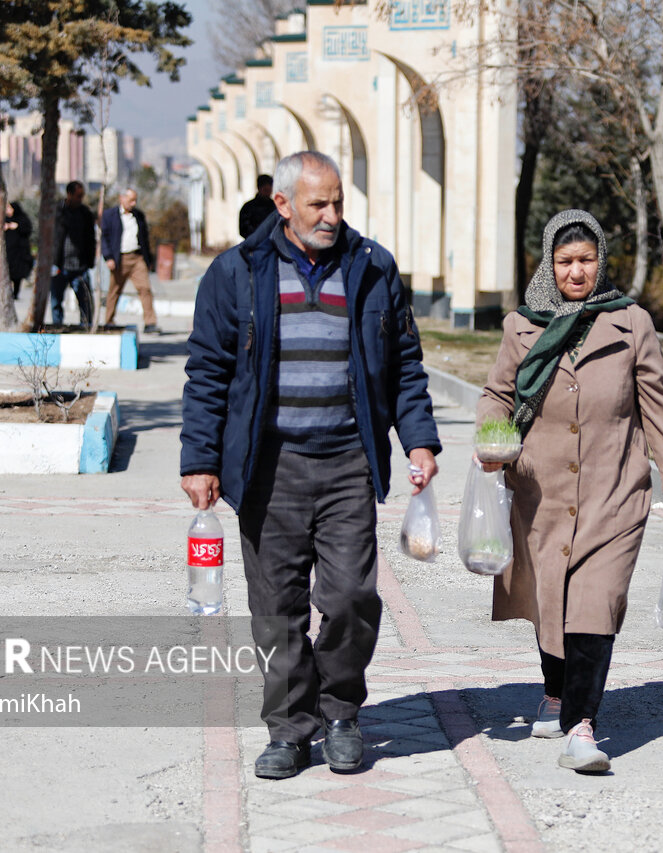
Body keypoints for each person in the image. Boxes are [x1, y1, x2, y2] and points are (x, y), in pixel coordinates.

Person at [180, 151, 441, 780]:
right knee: (276, 606)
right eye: (317, 204)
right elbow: (207, 373)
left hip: (349, 461)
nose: (330, 216)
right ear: (283, 204)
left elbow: (404, 363)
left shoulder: (372, 267)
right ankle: (290, 729)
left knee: (352, 596)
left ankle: (342, 712)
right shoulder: (237, 272)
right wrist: (200, 459)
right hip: (268, 467)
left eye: (338, 203)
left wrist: (420, 440)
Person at [475, 209, 663, 774]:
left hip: (614, 488)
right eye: (565, 262)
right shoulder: (521, 325)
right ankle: (555, 694)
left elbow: (658, 406)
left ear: (601, 261)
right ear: (549, 265)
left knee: (594, 602)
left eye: (586, 261)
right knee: (549, 598)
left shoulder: (631, 322)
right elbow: (497, 396)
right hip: (539, 487)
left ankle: (581, 726)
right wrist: (491, 439)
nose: (576, 272)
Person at [100, 187, 160, 332]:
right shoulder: (109, 215)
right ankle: (109, 321)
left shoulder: (139, 215)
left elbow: (145, 238)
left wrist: (149, 259)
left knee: (145, 288)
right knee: (114, 291)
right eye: (131, 200)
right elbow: (104, 238)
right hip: (119, 259)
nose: (133, 203)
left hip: (137, 258)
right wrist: (108, 257)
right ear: (122, 198)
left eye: (135, 200)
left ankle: (150, 322)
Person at [51, 181, 96, 326]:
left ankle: (86, 326)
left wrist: (90, 261)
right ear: (69, 194)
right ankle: (57, 326)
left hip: (80, 266)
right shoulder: (57, 211)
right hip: (60, 265)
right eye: (78, 196)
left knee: (85, 300)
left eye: (82, 196)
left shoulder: (85, 214)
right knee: (56, 300)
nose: (80, 199)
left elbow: (90, 239)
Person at [3, 201, 33, 299]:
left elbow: (27, 230)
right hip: (8, 251)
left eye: (10, 208)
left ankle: (15, 293)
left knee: (17, 275)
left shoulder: (22, 219)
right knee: (7, 273)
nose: (8, 211)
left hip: (19, 253)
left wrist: (17, 226)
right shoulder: (5, 220)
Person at [238, 173, 275, 238]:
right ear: (259, 188)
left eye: (269, 189)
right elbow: (243, 230)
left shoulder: (275, 207)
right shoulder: (248, 208)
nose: (268, 192)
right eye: (265, 189)